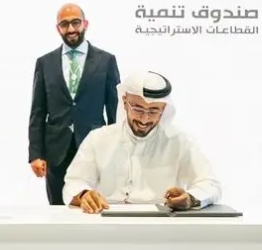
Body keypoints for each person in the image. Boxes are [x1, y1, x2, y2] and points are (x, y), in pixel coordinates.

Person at [62, 70, 222, 214]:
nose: (144, 119)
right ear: (125, 102)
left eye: (153, 111)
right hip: (106, 222)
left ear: (164, 109)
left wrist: (190, 199)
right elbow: (74, 182)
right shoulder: (98, 139)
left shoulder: (181, 142)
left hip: (161, 226)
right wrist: (83, 195)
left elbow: (211, 184)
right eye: (138, 109)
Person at [28, 3, 121, 204]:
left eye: (75, 23)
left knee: (94, 206)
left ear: (85, 24)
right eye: (64, 24)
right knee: (57, 209)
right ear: (58, 28)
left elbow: (115, 110)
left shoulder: (106, 61)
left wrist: (117, 151)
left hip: (96, 148)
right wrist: (35, 154)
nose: (71, 29)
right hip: (56, 152)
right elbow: (37, 111)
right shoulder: (45, 63)